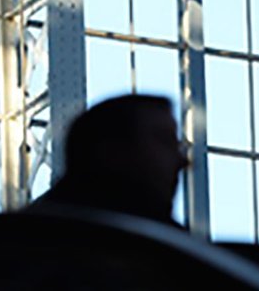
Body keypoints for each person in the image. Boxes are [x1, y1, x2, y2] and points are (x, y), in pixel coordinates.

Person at [27, 96, 189, 225]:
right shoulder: (175, 254)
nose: (183, 161)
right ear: (113, 150)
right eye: (164, 142)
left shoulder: (23, 235)